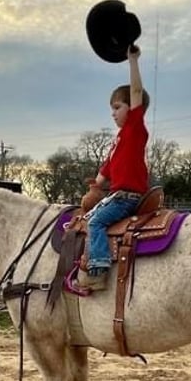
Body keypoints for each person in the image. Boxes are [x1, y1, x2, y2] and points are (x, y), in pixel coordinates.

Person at [77, 44, 150, 291]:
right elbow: (105, 169)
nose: (113, 114)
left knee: (95, 223)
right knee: (84, 217)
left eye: (117, 107)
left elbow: (137, 90)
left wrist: (133, 61)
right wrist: (95, 186)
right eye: (112, 109)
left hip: (126, 198)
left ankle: (98, 268)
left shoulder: (135, 128)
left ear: (132, 108)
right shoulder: (117, 141)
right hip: (117, 196)